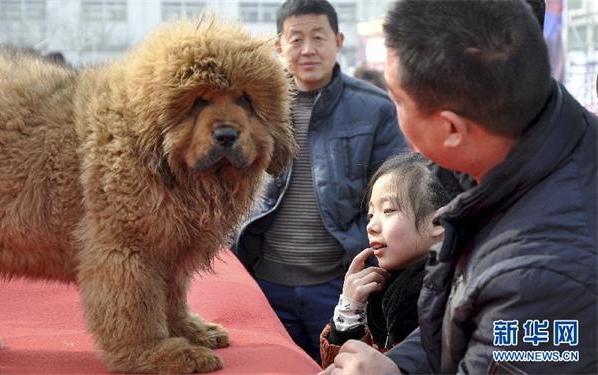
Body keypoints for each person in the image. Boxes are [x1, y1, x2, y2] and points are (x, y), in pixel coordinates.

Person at [320, 0, 597, 374]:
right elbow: (463, 327)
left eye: (398, 101)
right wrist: (399, 365)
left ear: (451, 128)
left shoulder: (543, 271)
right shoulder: (516, 145)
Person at [233, 0, 408, 363]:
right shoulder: (252, 110)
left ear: (339, 40)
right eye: (296, 38)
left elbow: (395, 195)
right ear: (279, 46)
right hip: (264, 285)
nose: (308, 49)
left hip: (338, 286)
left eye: (319, 37)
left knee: (338, 365)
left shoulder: (374, 109)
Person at [319, 153, 450, 369]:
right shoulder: (382, 292)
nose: (371, 226)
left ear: (439, 221)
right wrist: (349, 312)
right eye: (371, 214)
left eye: (388, 210)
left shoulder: (454, 298)